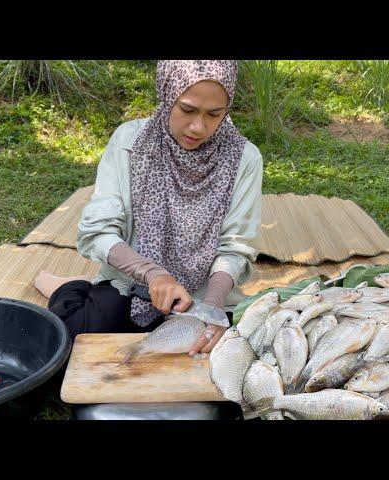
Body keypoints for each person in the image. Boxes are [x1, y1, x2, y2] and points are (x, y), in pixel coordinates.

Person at [34, 60, 263, 355]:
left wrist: (213, 308)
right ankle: (69, 286)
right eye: (188, 109)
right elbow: (98, 231)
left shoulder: (244, 158)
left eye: (214, 114)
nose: (198, 127)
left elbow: (235, 247)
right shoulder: (130, 143)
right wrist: (152, 274)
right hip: (132, 286)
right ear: (168, 96)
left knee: (232, 365)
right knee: (68, 344)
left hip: (205, 299)